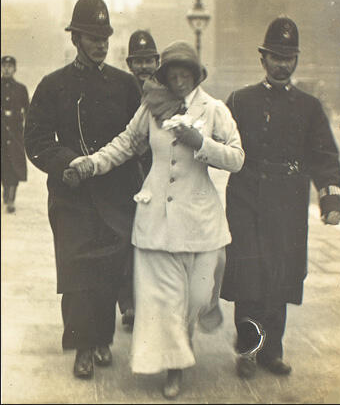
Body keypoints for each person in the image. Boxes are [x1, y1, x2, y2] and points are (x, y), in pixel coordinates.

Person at [68, 40, 245, 398]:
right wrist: (91, 164)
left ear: (196, 76)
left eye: (185, 75)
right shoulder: (151, 109)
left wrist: (201, 143)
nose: (179, 82)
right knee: (165, 303)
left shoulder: (213, 110)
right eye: (173, 75)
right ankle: (174, 367)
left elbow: (237, 158)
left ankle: (196, 324)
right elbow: (126, 143)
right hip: (156, 221)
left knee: (195, 297)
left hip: (200, 222)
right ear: (164, 77)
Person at [24, 0, 142, 379]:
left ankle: (102, 338)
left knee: (109, 271)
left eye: (105, 35)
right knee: (76, 275)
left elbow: (138, 139)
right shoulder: (52, 85)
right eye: (93, 36)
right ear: (75, 38)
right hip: (71, 196)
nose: (102, 43)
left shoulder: (126, 86)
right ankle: (82, 347)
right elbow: (36, 139)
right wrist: (67, 163)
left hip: (114, 196)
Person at [220, 16, 340, 379]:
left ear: (297, 61)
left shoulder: (310, 107)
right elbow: (219, 144)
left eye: (288, 57)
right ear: (262, 58)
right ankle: (248, 350)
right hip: (246, 201)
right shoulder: (240, 100)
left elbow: (325, 155)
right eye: (275, 56)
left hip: (288, 204)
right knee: (249, 277)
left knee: (280, 276)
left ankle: (272, 351)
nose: (281, 64)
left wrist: (330, 199)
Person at [117, 30, 160, 330]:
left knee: (153, 243)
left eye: (149, 61)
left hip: (156, 177)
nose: (143, 67)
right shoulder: (119, 91)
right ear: (130, 64)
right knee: (125, 240)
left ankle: (150, 301)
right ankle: (128, 305)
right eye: (138, 62)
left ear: (157, 62)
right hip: (126, 178)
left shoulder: (166, 92)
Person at [1, 56, 29, 213]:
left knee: (15, 165)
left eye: (9, 66)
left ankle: (11, 199)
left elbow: (28, 110)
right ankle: (6, 191)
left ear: (14, 69)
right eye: (4, 66)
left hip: (16, 134)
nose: (6, 69)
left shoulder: (21, 89)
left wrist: (27, 130)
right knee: (3, 164)